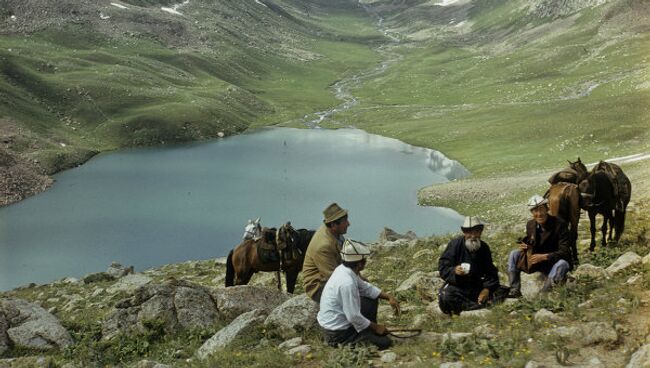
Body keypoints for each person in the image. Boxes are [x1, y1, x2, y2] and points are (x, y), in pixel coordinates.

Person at [317, 239, 401, 350]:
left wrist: (389, 297)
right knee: (385, 342)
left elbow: (366, 288)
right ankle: (356, 338)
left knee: (371, 298)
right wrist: (376, 327)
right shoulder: (346, 283)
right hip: (337, 334)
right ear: (359, 264)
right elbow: (353, 316)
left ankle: (367, 332)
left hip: (337, 326)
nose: (366, 261)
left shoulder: (344, 269)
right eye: (364, 259)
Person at [507, 195, 573, 297]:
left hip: (553, 262)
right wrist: (526, 245)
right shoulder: (530, 224)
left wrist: (544, 257)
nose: (539, 214)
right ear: (532, 213)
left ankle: (544, 293)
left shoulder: (560, 224)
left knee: (563, 263)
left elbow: (565, 251)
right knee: (514, 254)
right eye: (535, 211)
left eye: (541, 209)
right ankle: (514, 290)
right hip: (536, 263)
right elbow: (532, 240)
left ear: (547, 209)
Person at [438, 216, 503, 315]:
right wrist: (454, 270)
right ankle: (479, 306)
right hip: (459, 286)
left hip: (478, 286)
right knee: (445, 296)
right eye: (469, 232)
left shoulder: (484, 248)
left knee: (502, 290)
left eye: (476, 232)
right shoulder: (455, 245)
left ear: (480, 232)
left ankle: (471, 306)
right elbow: (443, 267)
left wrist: (486, 289)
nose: (473, 236)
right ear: (464, 233)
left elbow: (491, 272)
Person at [302, 202, 349, 303]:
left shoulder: (336, 233)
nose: (348, 224)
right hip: (318, 287)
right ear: (333, 224)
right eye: (345, 221)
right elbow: (334, 276)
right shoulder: (324, 245)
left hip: (330, 278)